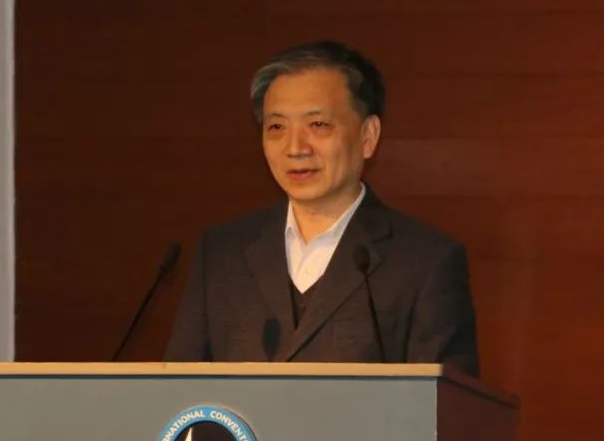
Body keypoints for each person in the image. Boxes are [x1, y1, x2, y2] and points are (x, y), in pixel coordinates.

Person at [164, 41, 479, 376]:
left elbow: (444, 404)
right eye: (277, 127)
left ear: (368, 136)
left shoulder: (425, 262)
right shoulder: (221, 253)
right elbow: (178, 392)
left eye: (318, 125)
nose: (295, 148)